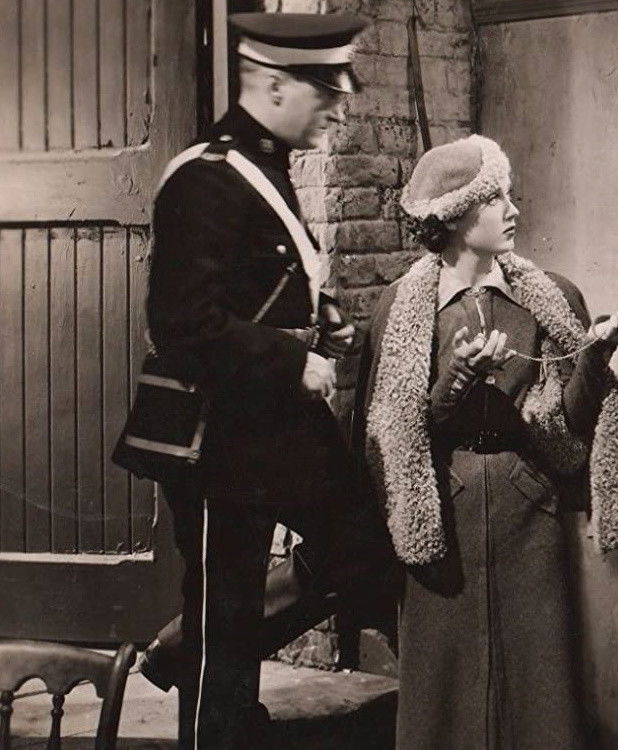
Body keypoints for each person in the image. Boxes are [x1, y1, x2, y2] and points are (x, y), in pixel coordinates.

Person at [139, 13, 398, 749]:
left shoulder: (263, 169)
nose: (338, 110)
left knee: (360, 551)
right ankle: (214, 720)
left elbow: (257, 285)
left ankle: (181, 653)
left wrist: (323, 317)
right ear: (275, 84)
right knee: (225, 614)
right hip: (215, 438)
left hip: (273, 430)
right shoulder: (206, 178)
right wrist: (292, 361)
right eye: (326, 93)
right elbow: (183, 325)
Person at [353, 134, 618, 749]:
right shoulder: (400, 309)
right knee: (443, 705)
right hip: (443, 520)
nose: (514, 210)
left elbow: (569, 431)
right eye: (497, 200)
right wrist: (456, 379)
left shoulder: (552, 299)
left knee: (538, 699)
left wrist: (594, 356)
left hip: (528, 515)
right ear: (457, 215)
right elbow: (393, 438)